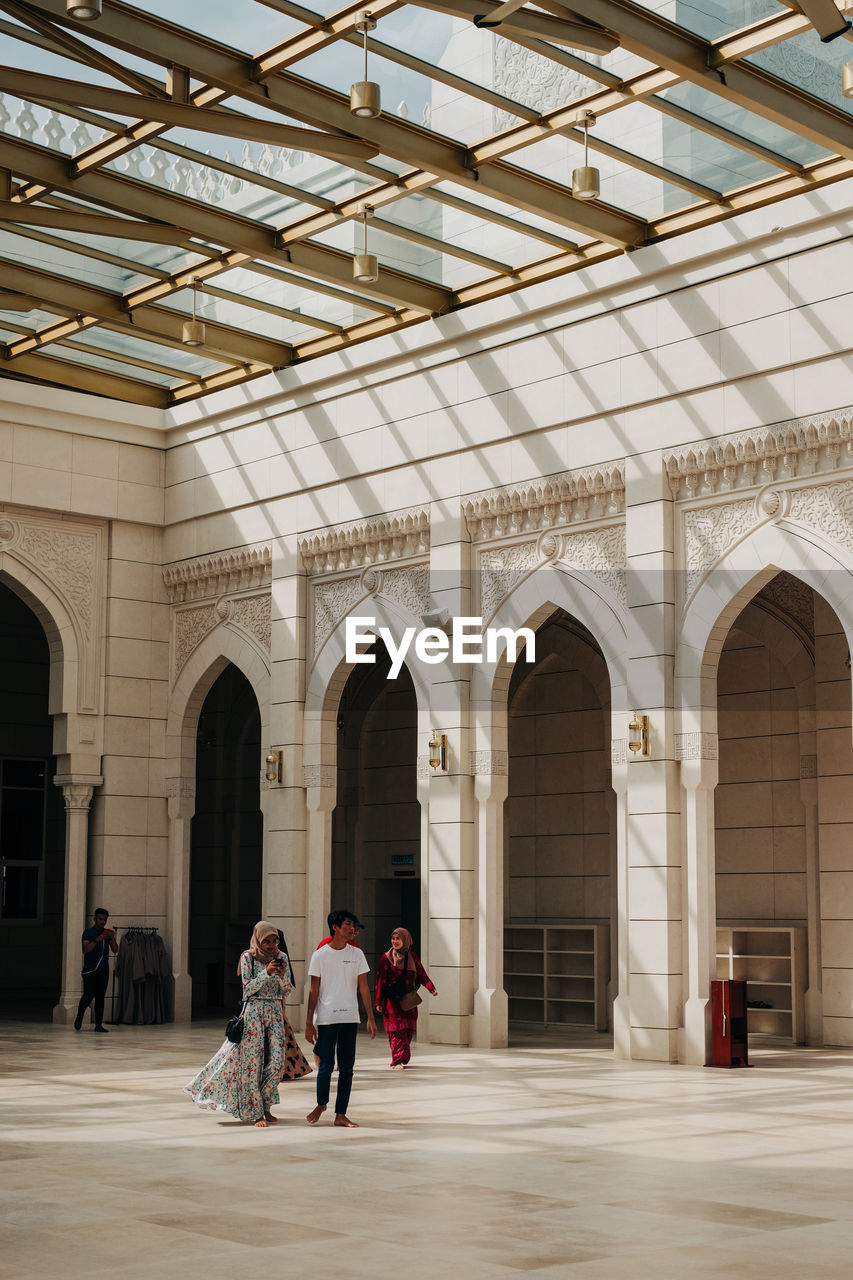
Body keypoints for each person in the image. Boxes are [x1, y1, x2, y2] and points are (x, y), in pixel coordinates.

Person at [184, 921, 291, 1128]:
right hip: (253, 1013)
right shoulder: (247, 957)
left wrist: (280, 977)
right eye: (266, 941)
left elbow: (286, 990)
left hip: (275, 1013)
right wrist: (266, 973)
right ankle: (257, 1111)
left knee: (277, 1062)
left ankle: (266, 1103)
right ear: (258, 940)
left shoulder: (282, 957)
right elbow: (247, 989)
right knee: (252, 1063)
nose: (270, 945)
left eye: (274, 940)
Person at [305, 908, 376, 1128]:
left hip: (350, 1018)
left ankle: (341, 1114)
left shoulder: (357, 954)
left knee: (347, 1068)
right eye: (347, 924)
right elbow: (313, 990)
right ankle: (321, 1103)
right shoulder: (320, 955)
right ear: (335, 927)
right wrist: (309, 1022)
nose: (352, 928)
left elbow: (364, 988)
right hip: (326, 1018)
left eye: (353, 925)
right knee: (326, 1066)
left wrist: (371, 1018)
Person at [374, 927, 437, 1069]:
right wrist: (379, 1000)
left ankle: (402, 1057)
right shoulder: (386, 958)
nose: (395, 941)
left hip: (409, 1000)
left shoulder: (412, 957)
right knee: (397, 1030)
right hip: (392, 1001)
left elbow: (421, 974)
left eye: (398, 939)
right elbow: (381, 980)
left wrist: (431, 987)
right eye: (393, 938)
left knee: (408, 1030)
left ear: (406, 940)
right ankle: (397, 1060)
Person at [74, 908, 118, 1032]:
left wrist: (113, 938)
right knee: (88, 995)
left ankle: (98, 1025)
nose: (102, 922)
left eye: (104, 920)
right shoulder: (88, 932)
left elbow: (115, 950)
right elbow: (85, 950)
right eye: (100, 919)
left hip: (103, 969)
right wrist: (97, 940)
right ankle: (79, 1016)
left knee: (100, 997)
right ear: (94, 919)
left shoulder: (107, 933)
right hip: (90, 970)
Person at [277, 928, 312, 1082]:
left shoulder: (281, 957)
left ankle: (290, 1068)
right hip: (259, 1008)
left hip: (276, 1004)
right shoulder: (250, 957)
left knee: (283, 1036)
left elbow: (286, 986)